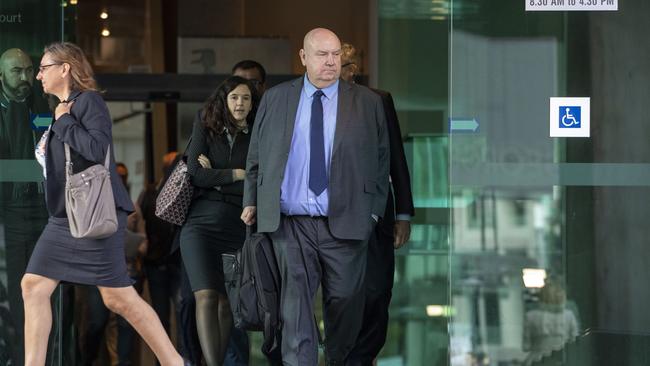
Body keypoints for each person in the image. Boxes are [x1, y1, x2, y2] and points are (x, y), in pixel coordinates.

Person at [21, 42, 186, 366]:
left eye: (44, 67)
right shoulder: (65, 108)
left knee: (118, 298)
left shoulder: (88, 102)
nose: (39, 75)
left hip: (92, 213)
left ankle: (173, 362)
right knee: (34, 286)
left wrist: (64, 122)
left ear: (65, 68)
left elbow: (96, 149)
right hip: (65, 217)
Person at [241, 28, 390, 365]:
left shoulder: (367, 102)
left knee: (346, 302)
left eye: (336, 54)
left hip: (348, 221)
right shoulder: (276, 98)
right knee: (295, 310)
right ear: (304, 57)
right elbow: (256, 156)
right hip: (291, 224)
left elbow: (382, 162)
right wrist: (252, 200)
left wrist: (373, 214)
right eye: (322, 55)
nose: (331, 61)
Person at [339, 43, 415, 366]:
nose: (343, 70)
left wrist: (403, 213)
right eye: (336, 63)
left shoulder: (378, 101)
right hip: (332, 213)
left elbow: (396, 158)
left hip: (376, 209)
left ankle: (363, 355)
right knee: (342, 293)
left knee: (377, 289)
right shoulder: (311, 104)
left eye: (346, 64)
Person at [180, 75, 259, 366]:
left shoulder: (257, 133)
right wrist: (238, 174)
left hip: (238, 224)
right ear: (224, 100)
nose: (240, 103)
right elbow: (195, 174)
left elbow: (260, 180)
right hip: (199, 225)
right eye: (235, 97)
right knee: (205, 296)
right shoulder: (205, 126)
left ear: (252, 103)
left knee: (228, 302)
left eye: (246, 98)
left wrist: (218, 177)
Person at [0, 47, 50, 366]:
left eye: (29, 70)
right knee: (15, 294)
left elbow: (51, 147)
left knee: (42, 296)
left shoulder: (40, 104)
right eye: (17, 71)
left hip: (40, 211)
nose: (25, 77)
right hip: (7, 215)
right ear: (1, 75)